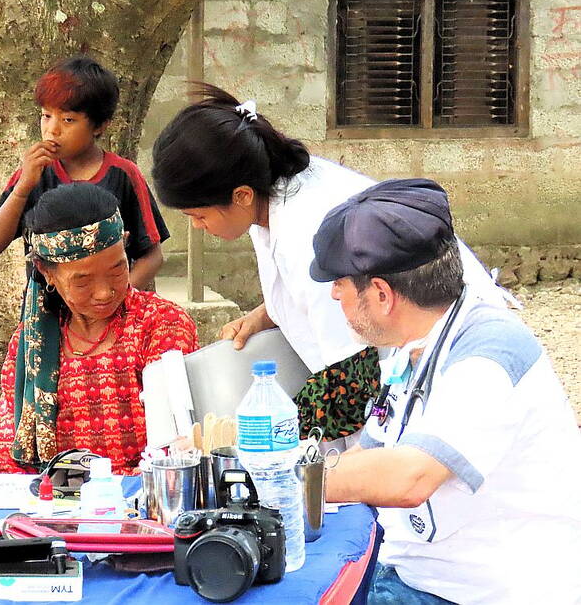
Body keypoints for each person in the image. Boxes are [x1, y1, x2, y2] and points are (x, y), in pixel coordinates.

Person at [151, 84, 511, 443]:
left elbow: (352, 382)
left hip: (448, 362)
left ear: (241, 195)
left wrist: (247, 439)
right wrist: (269, 312)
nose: (197, 226)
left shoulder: (306, 229)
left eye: (198, 215)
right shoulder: (276, 192)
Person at [313, 178, 581, 604]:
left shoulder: (490, 352)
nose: (333, 296)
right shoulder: (416, 343)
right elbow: (372, 453)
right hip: (420, 573)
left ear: (381, 294)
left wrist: (287, 480)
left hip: (488, 592)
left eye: (340, 286)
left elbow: (409, 477)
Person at [0, 183, 197, 474]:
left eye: (117, 269)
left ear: (125, 244)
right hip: (51, 504)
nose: (104, 293)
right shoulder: (30, 344)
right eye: (83, 281)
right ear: (47, 271)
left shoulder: (160, 323)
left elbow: (175, 446)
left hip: (142, 499)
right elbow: (8, 457)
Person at [0, 55, 169, 290]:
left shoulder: (123, 175)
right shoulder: (33, 174)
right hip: (47, 316)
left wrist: (116, 300)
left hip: (110, 313)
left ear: (100, 125)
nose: (52, 130)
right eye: (46, 116)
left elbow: (153, 256)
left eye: (68, 119)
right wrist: (23, 188)